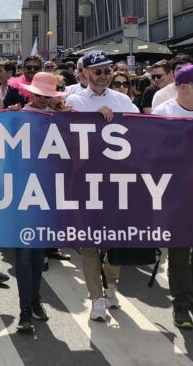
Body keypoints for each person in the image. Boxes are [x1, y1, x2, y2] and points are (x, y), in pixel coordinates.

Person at [66, 51, 139, 322]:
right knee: (88, 244)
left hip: (116, 181)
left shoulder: (123, 101)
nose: (103, 77)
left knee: (114, 240)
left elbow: (140, 134)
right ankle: (96, 298)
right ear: (85, 73)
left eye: (107, 72)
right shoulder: (73, 100)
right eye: (98, 72)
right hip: (84, 181)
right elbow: (66, 134)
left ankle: (111, 287)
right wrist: (93, 119)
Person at [152, 64, 193, 329]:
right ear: (184, 88)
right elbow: (152, 152)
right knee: (179, 250)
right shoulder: (163, 114)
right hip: (174, 192)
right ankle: (180, 302)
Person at [14, 72, 64, 332]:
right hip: (22, 191)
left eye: (48, 95)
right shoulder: (18, 116)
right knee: (24, 252)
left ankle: (34, 299)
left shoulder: (61, 118)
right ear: (29, 93)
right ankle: (24, 309)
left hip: (48, 192)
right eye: (39, 95)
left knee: (38, 253)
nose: (43, 99)